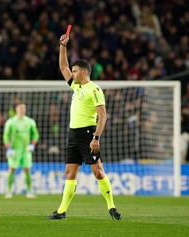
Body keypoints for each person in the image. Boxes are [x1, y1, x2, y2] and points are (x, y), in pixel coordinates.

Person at [49, 30, 121, 220]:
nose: (72, 73)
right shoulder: (76, 85)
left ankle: (111, 207)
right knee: (69, 172)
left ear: (84, 72)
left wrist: (96, 138)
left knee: (98, 172)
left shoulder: (94, 89)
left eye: (75, 70)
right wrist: (62, 46)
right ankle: (62, 211)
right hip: (73, 134)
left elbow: (103, 115)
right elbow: (63, 66)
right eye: (72, 71)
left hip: (89, 134)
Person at [3, 103, 39, 199]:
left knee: (27, 170)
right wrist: (9, 148)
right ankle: (9, 191)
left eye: (24, 108)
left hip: (26, 150)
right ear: (16, 109)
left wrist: (32, 145)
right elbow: (6, 136)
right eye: (20, 108)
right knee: (11, 169)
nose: (22, 110)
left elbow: (35, 134)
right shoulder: (11, 122)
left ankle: (29, 191)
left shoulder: (30, 121)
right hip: (14, 151)